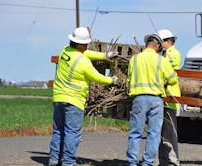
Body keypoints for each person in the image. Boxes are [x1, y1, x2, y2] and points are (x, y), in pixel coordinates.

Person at [48, 27, 118, 166]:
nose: (86, 45)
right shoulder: (83, 62)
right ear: (79, 44)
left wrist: (104, 56)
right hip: (74, 101)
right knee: (72, 133)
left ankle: (54, 160)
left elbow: (86, 53)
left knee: (58, 131)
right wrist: (111, 80)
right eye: (85, 43)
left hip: (58, 98)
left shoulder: (65, 51)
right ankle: (68, 162)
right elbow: (96, 77)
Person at [126, 33, 178, 166]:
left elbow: (129, 78)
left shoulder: (134, 59)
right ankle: (147, 163)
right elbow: (173, 79)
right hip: (156, 100)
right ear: (158, 45)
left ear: (147, 44)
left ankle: (131, 163)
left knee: (135, 133)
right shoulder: (162, 60)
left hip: (139, 99)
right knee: (153, 134)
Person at [158, 29, 182, 166]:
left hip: (170, 98)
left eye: (160, 42)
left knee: (170, 133)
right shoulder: (165, 53)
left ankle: (173, 162)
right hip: (163, 97)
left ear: (168, 41)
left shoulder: (173, 53)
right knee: (161, 134)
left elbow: (166, 68)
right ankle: (163, 161)